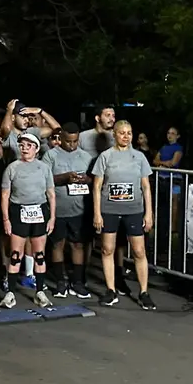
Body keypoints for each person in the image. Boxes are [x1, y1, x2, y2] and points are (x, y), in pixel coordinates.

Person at [92, 120, 155, 310]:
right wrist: (97, 213)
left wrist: (149, 213)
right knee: (107, 249)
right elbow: (96, 187)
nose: (126, 136)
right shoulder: (105, 156)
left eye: (129, 133)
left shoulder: (139, 157)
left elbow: (146, 187)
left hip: (133, 210)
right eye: (122, 133)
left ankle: (144, 292)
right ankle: (111, 290)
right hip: (109, 210)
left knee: (139, 251)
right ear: (115, 134)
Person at [0, 132, 55, 309]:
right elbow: (5, 195)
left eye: (29, 146)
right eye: (22, 145)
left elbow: (51, 194)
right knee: (16, 254)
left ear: (37, 149)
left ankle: (39, 291)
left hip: (39, 210)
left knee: (39, 254)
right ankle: (10, 293)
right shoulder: (12, 168)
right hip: (18, 211)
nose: (25, 149)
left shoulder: (44, 168)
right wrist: (6, 219)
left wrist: (52, 217)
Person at [42, 122, 93, 299]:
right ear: (61, 138)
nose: (72, 145)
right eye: (68, 141)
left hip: (79, 209)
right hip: (58, 210)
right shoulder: (51, 155)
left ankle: (77, 281)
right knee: (58, 244)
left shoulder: (86, 157)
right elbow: (44, 178)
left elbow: (93, 179)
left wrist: (87, 179)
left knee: (78, 244)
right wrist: (65, 178)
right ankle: (60, 281)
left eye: (75, 141)